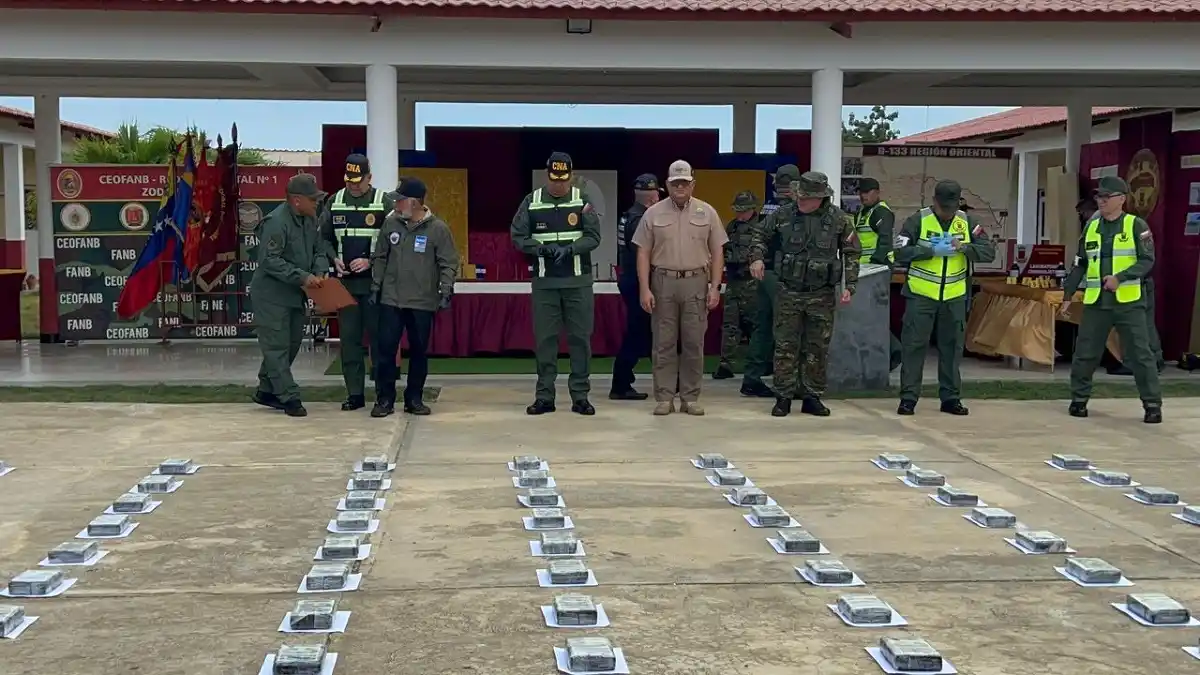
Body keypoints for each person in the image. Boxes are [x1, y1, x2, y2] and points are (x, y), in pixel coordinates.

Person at [749, 172, 859, 417]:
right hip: (789, 290)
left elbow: (851, 253)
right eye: (800, 196)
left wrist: (850, 285)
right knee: (785, 345)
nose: (801, 201)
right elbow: (759, 235)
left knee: (817, 347)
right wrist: (756, 257)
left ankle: (812, 396)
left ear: (821, 198)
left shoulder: (840, 220)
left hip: (822, 293)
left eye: (807, 198)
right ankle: (783, 397)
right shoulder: (783, 214)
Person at [1059, 176, 1163, 423]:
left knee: (1140, 354)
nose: (1101, 201)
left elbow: (1147, 260)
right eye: (1099, 197)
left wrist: (1121, 277)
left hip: (1129, 302)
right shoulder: (1091, 227)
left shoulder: (1136, 226)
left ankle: (1152, 405)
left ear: (1122, 200)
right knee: (1085, 353)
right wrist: (1067, 294)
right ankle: (1079, 400)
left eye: (1107, 197)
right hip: (1097, 303)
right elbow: (1080, 263)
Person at [891, 180, 996, 416]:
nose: (947, 213)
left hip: (955, 296)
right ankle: (908, 398)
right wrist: (929, 251)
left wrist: (964, 248)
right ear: (935, 201)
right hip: (921, 295)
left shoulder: (968, 223)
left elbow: (988, 252)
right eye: (943, 208)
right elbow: (898, 252)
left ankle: (950, 398)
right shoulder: (918, 220)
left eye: (951, 208)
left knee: (952, 348)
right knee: (914, 347)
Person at [632, 159, 727, 416]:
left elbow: (718, 251)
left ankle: (690, 397)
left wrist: (715, 287)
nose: (680, 187)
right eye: (675, 183)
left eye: (685, 182)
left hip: (696, 282)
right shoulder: (653, 214)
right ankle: (664, 398)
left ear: (693, 184)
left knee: (694, 343)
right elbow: (643, 252)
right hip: (663, 282)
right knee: (663, 343)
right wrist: (645, 288)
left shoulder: (707, 212)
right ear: (667, 185)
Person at [510, 152, 602, 416]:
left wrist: (572, 249)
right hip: (545, 283)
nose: (558, 185)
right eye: (554, 179)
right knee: (545, 341)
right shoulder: (532, 201)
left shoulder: (582, 200)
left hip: (578, 283)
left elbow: (594, 237)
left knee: (580, 340)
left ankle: (580, 396)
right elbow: (517, 236)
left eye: (563, 179)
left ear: (571, 175)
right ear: (547, 174)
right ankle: (545, 396)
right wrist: (540, 249)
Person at [369, 177, 459, 418]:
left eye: (401, 200)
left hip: (422, 302)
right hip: (391, 300)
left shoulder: (438, 229)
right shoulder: (391, 224)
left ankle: (414, 399)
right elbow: (380, 256)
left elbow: (448, 262)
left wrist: (446, 290)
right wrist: (376, 285)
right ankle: (385, 399)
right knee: (385, 351)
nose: (397, 205)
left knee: (419, 352)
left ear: (415, 202)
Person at [318, 153, 394, 412]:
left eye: (358, 181)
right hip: (346, 286)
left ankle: (384, 394)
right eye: (349, 180)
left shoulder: (384, 202)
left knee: (380, 343)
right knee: (349, 343)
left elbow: (393, 241)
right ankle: (355, 394)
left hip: (374, 286)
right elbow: (324, 238)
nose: (353, 185)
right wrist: (333, 259)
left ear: (369, 178)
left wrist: (371, 261)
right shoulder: (334, 201)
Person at [250, 174, 328, 418]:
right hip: (271, 296)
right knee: (276, 347)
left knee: (292, 344)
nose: (316, 203)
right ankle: (289, 396)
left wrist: (319, 270)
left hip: (296, 295)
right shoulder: (276, 222)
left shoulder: (308, 220)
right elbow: (269, 260)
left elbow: (318, 249)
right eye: (312, 199)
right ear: (296, 200)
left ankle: (266, 389)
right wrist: (303, 276)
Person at [739, 165, 799, 399]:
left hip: (764, 274)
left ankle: (752, 378)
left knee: (762, 327)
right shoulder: (790, 210)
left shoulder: (767, 206)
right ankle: (787, 382)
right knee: (787, 327)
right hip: (781, 275)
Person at [610, 173, 662, 401]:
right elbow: (643, 254)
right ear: (652, 198)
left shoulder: (630, 216)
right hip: (639, 282)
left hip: (633, 279)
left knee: (649, 333)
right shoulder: (639, 219)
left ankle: (667, 379)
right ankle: (621, 383)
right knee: (637, 333)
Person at [713, 190, 761, 380]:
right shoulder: (732, 226)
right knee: (730, 325)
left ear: (752, 209)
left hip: (753, 283)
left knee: (756, 326)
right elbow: (723, 249)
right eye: (737, 210)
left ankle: (758, 365)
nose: (740, 214)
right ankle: (726, 364)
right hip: (734, 282)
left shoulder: (761, 226)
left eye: (744, 211)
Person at [855, 177, 900, 371]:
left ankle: (895, 352)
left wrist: (874, 267)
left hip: (876, 270)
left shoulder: (881, 212)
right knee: (865, 316)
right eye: (861, 192)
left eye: (867, 192)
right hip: (863, 270)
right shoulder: (863, 213)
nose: (863, 195)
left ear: (877, 192)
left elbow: (884, 242)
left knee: (872, 316)